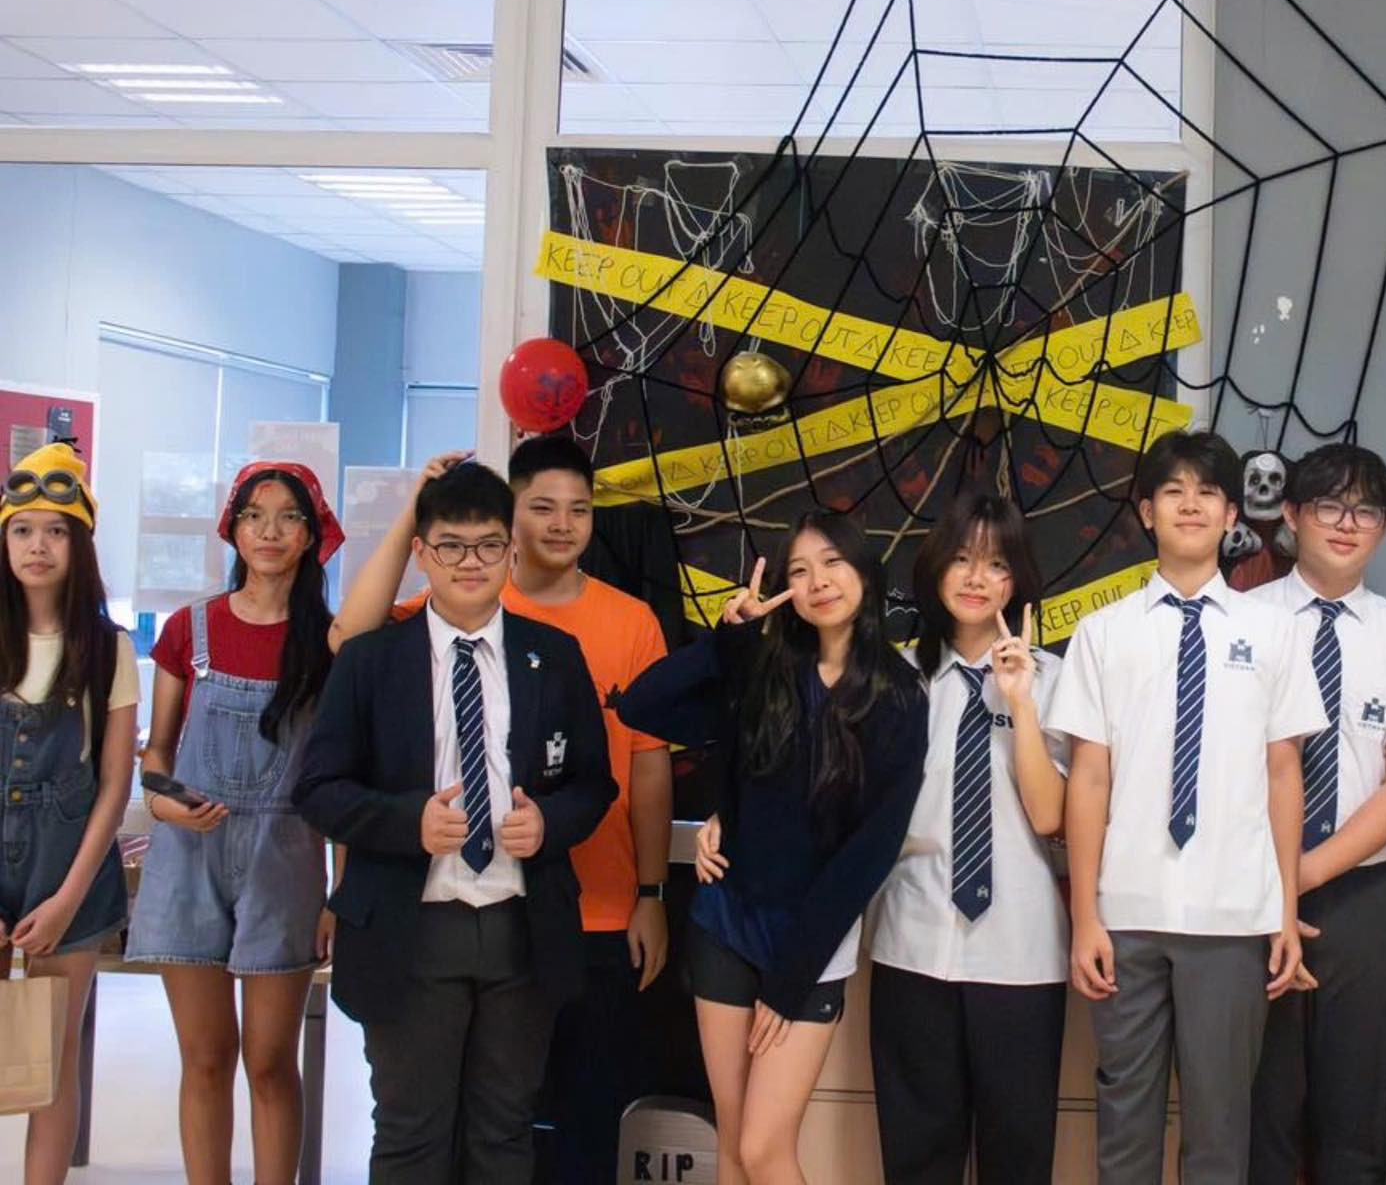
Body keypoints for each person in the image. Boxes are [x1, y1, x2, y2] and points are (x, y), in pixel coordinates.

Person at [332, 437, 672, 1185]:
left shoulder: (559, 649)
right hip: (414, 921)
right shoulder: (396, 644)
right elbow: (323, 781)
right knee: (412, 1132)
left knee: (512, 1129)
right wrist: (407, 822)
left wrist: (560, 830)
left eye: (487, 546)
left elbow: (605, 780)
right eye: (452, 547)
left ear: (506, 549)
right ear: (427, 553)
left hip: (538, 920)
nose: (471, 561)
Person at [1046, 429, 1326, 1185]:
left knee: (1220, 1131)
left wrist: (1285, 911)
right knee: (1124, 1127)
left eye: (1207, 492)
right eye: (1173, 491)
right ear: (1147, 512)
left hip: (1233, 918)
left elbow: (1283, 776)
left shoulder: (1275, 631)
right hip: (1127, 916)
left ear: (1232, 513)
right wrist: (1086, 918)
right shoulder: (1104, 634)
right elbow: (1089, 780)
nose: (1191, 505)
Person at [615, 510, 927, 1185]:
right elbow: (641, 706)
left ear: (865, 573)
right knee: (732, 1145)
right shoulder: (763, 667)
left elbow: (868, 854)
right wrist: (728, 639)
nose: (819, 582)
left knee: (764, 1149)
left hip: (810, 947)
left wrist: (788, 982)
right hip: (726, 922)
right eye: (800, 571)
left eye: (833, 563)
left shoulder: (898, 695)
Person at [127, 462, 346, 1185]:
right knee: (205, 1057)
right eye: (254, 515)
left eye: (288, 517)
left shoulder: (330, 644)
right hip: (189, 857)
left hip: (285, 859)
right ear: (233, 529)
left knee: (271, 1063)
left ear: (312, 535)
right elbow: (157, 754)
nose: (269, 531)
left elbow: (342, 779)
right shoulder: (189, 629)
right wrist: (164, 802)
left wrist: (337, 893)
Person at [1245, 442, 1386, 1185]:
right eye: (1329, 505)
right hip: (1248, 891)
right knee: (1260, 1112)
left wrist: (1301, 877)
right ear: (1292, 515)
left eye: (1367, 511)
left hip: (1367, 897)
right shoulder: (1243, 620)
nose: (1348, 523)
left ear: (1385, 528)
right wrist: (1275, 889)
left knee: (1356, 1119)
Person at [864, 489, 1068, 1185]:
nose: (978, 578)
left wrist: (1021, 704)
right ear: (935, 570)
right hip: (913, 944)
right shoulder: (897, 678)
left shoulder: (1055, 680)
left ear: (1019, 580)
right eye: (961, 559)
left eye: (997, 564)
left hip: (1020, 955)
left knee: (1019, 1160)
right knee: (917, 1159)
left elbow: (1050, 816)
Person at [0, 443, 136, 1185]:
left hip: (70, 869)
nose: (38, 546)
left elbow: (113, 785)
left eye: (56, 531)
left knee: (51, 1064)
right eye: (22, 530)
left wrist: (67, 898)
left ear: (79, 543)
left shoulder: (108, 649)